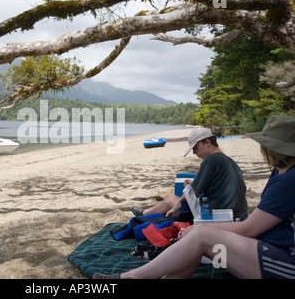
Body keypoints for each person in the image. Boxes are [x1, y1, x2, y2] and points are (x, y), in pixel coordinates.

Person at [94, 114, 295, 279]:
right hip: (266, 240)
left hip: (284, 261)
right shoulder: (279, 170)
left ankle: (132, 277)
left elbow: (249, 228)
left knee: (198, 233)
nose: (195, 153)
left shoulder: (286, 180)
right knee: (197, 240)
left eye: (196, 148)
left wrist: (200, 227)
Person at [131, 127, 248, 221]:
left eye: (196, 148)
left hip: (217, 218)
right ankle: (145, 213)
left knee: (171, 198)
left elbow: (192, 192)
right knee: (179, 200)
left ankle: (143, 214)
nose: (194, 153)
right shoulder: (231, 163)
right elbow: (225, 188)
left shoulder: (212, 160)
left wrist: (175, 207)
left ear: (207, 142)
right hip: (238, 217)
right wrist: (195, 184)